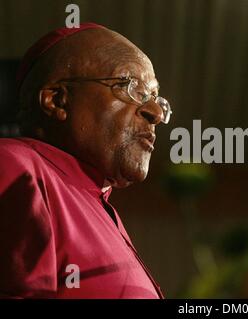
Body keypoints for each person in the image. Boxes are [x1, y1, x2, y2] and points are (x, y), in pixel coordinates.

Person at [0, 23, 172, 298]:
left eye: (155, 98)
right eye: (131, 88)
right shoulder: (14, 166)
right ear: (57, 100)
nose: (155, 113)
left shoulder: (100, 203)